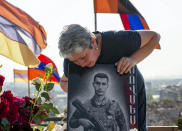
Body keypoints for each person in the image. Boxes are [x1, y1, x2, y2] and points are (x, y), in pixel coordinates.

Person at [58, 24, 160, 131]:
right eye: (75, 61)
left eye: (83, 57)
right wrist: (72, 87)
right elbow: (64, 81)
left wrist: (133, 60)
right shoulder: (70, 59)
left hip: (133, 95)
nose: (81, 64)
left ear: (93, 42)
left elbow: (155, 37)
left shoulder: (118, 40)